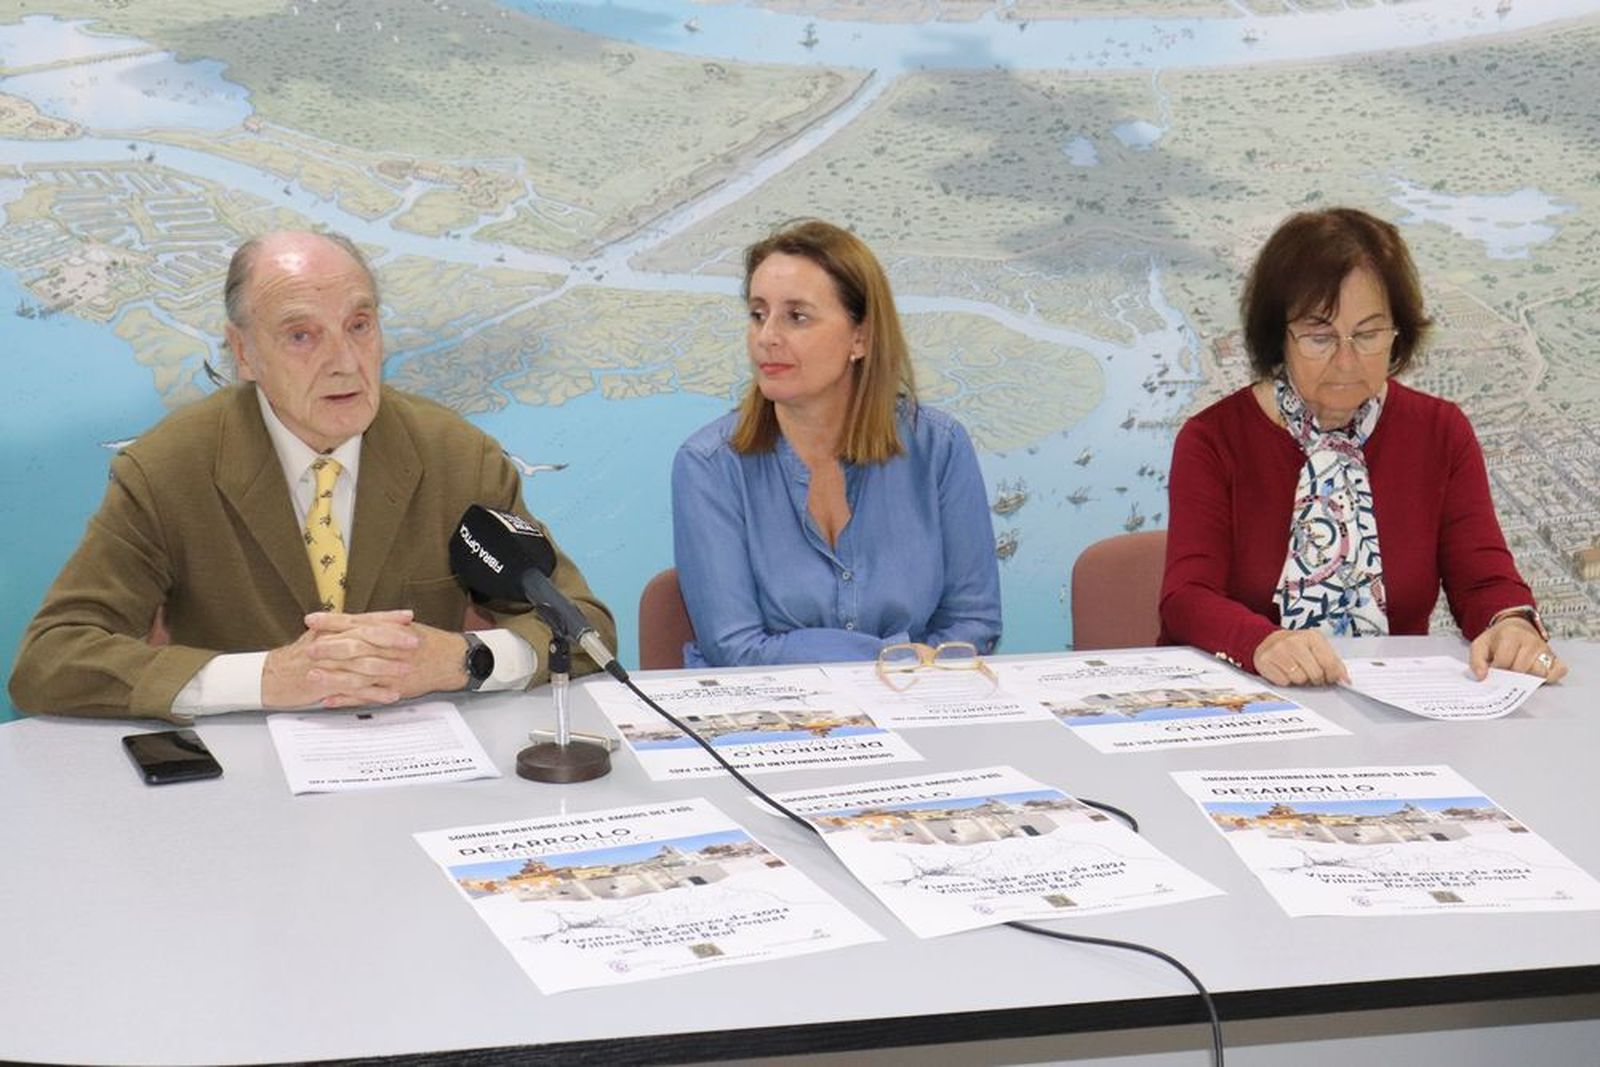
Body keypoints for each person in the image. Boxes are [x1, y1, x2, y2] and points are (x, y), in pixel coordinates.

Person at [9, 230, 614, 722]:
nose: (345, 362)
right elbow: (51, 660)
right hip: (242, 793)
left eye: (359, 325)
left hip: (424, 778)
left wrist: (465, 660)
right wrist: (267, 677)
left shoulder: (456, 454)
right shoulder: (170, 468)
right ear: (243, 353)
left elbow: (585, 630)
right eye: (302, 335)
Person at [1160, 207, 1563, 687]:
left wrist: (1510, 624)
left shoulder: (1439, 432)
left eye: (1368, 334)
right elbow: (1186, 597)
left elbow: (1484, 581)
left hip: (1392, 712)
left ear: (1398, 335)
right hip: (1247, 705)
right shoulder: (1214, 440)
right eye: (1319, 335)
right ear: (1278, 337)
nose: (1347, 359)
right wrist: (1264, 642)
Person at [671, 219, 1001, 667]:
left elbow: (973, 620)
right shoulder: (709, 464)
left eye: (797, 317)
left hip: (915, 704)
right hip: (771, 717)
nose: (767, 337)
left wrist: (912, 672)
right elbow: (736, 648)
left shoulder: (937, 447)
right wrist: (895, 656)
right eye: (757, 314)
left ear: (860, 338)